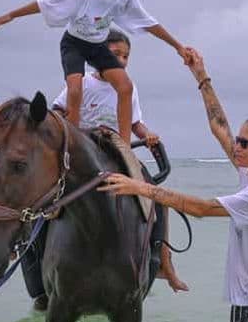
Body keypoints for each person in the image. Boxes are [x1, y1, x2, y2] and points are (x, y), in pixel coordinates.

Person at [99, 49, 248, 322]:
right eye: (239, 140)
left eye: (245, 143)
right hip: (246, 300)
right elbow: (219, 126)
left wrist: (141, 188)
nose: (237, 146)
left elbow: (202, 208)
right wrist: (201, 76)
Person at [0, 0, 188, 145]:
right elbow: (50, 2)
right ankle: (73, 143)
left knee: (125, 87)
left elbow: (148, 22)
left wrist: (178, 47)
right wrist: (11, 15)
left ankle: (124, 145)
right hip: (74, 44)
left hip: (98, 46)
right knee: (75, 90)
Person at [52, 29, 188, 293]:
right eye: (115, 55)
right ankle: (22, 245)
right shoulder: (83, 83)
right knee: (46, 189)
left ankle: (163, 261)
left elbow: (135, 123)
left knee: (155, 195)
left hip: (116, 149)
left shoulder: (127, 87)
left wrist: (147, 135)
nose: (122, 61)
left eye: (126, 56)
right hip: (85, 148)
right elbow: (58, 109)